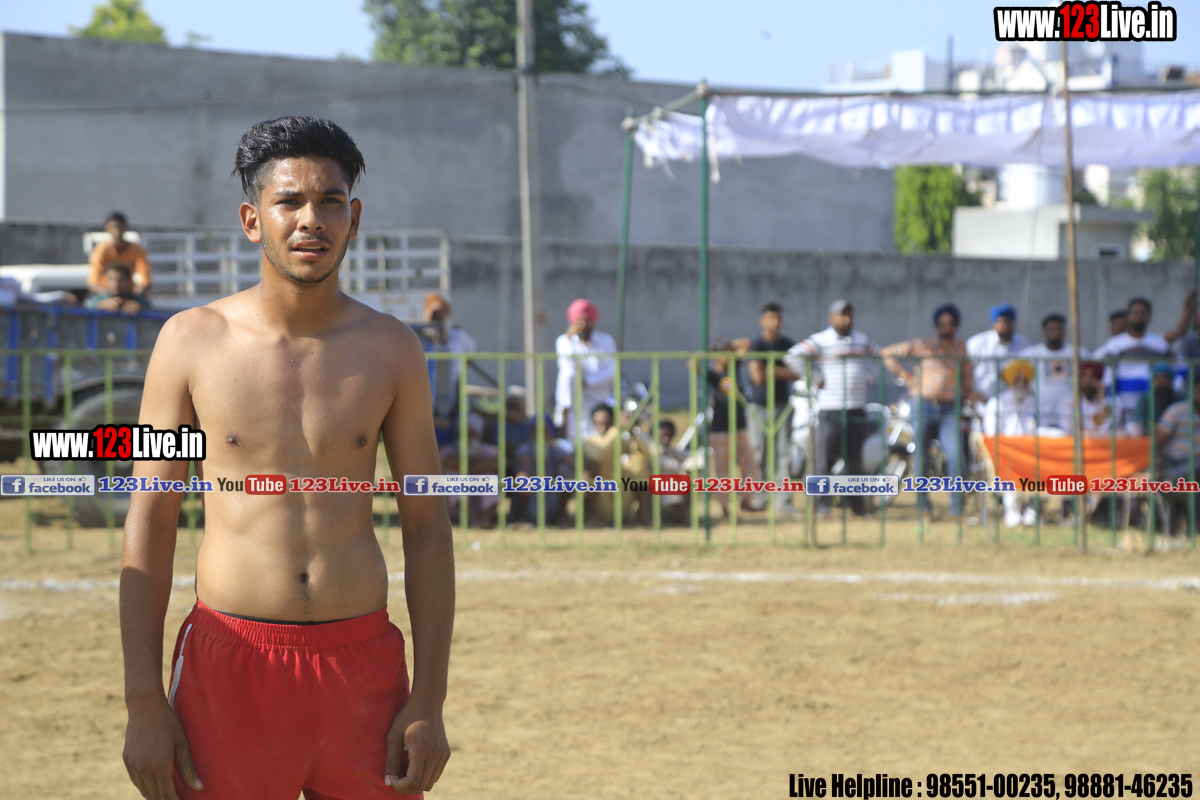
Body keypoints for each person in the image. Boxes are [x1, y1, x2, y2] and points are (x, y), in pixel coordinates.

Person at [121, 116, 453, 799]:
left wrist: (429, 698)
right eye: (289, 201)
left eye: (330, 201)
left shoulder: (393, 349)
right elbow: (150, 518)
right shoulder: (189, 342)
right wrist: (142, 701)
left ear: (354, 218)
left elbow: (426, 526)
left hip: (363, 672)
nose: (311, 220)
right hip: (229, 666)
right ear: (252, 219)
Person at [786, 299, 879, 516]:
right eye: (841, 315)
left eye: (849, 314)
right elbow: (793, 356)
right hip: (830, 407)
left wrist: (868, 377)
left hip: (856, 407)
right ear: (832, 318)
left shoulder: (861, 340)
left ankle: (856, 506)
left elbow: (879, 357)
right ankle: (821, 505)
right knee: (824, 458)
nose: (846, 319)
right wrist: (814, 377)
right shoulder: (821, 340)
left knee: (855, 460)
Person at [881, 303, 974, 521]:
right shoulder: (924, 345)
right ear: (937, 326)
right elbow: (887, 353)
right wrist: (907, 378)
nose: (946, 327)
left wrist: (969, 394)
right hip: (923, 405)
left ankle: (956, 510)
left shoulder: (961, 347)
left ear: (956, 326)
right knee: (921, 458)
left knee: (956, 457)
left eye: (950, 323)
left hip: (949, 409)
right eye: (942, 324)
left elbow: (967, 375)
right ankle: (923, 508)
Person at [743, 302, 798, 513]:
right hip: (759, 406)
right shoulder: (757, 345)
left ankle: (782, 502)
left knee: (783, 453)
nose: (775, 323)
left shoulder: (788, 345)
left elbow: (798, 373)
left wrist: (771, 368)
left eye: (778, 318)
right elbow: (758, 377)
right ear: (762, 321)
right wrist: (781, 369)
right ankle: (759, 499)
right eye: (771, 318)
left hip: (782, 405)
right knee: (758, 452)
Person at [1092, 297, 1170, 430]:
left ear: (1150, 317)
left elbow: (1179, 368)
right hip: (1123, 406)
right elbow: (1108, 377)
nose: (1139, 317)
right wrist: (1111, 402)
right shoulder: (1115, 344)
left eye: (1143, 313)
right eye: (1135, 313)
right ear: (1128, 316)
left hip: (1152, 404)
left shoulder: (1160, 344)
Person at [982, 360, 1039, 528]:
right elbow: (991, 434)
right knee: (1011, 466)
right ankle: (1012, 510)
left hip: (1030, 452)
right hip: (1004, 452)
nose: (1020, 384)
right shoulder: (998, 402)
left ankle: (1032, 508)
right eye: (1017, 380)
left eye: (1024, 380)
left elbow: (1040, 430)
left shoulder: (1034, 402)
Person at [707, 341, 761, 516]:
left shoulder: (733, 366)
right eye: (724, 353)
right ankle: (725, 507)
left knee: (750, 464)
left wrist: (729, 345)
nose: (728, 356)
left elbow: (746, 343)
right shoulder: (712, 374)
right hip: (720, 428)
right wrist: (707, 352)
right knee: (723, 469)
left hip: (739, 426)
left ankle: (746, 499)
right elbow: (692, 365)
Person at [554, 298, 616, 442]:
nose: (583, 325)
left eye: (586, 320)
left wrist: (587, 381)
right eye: (579, 320)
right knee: (567, 374)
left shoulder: (606, 341)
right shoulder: (564, 341)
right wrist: (570, 339)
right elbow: (567, 365)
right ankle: (562, 420)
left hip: (598, 396)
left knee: (597, 438)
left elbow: (611, 370)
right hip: (574, 398)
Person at [1020, 313, 1090, 429]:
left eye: (1059, 329)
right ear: (1044, 332)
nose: (1056, 332)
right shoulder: (1031, 354)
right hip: (1040, 414)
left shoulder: (1078, 353)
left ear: (1064, 331)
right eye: (1052, 329)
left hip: (1069, 416)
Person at [424, 292, 478, 421]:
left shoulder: (458, 336)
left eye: (442, 313)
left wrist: (462, 366)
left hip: (453, 390)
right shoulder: (423, 339)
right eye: (435, 314)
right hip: (428, 390)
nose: (439, 318)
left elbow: (474, 350)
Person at [966, 303, 1030, 404]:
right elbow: (964, 372)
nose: (1005, 325)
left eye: (1008, 322)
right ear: (994, 324)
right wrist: (972, 395)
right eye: (1000, 322)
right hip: (980, 402)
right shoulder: (977, 343)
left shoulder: (1023, 343)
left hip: (1012, 404)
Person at [1056, 360, 1137, 437]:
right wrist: (1094, 433)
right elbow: (1069, 428)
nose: (1088, 381)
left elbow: (1111, 427)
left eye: (1092, 377)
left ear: (1100, 379)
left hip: (1103, 445)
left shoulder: (1113, 401)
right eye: (1084, 376)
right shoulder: (1067, 401)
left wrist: (1103, 401)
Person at [88, 211, 153, 296]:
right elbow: (93, 282)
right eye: (113, 228)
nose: (117, 232)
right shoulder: (102, 250)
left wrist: (134, 296)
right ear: (107, 229)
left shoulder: (137, 250)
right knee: (92, 303)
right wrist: (110, 296)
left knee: (143, 303)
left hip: (129, 293)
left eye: (120, 227)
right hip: (105, 292)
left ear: (126, 228)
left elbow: (146, 280)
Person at [85, 263, 150, 315]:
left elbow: (151, 312)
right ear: (106, 282)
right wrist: (99, 306)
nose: (116, 283)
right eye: (111, 279)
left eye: (121, 279)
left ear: (128, 282)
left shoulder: (139, 301)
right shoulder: (98, 300)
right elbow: (87, 310)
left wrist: (141, 308)